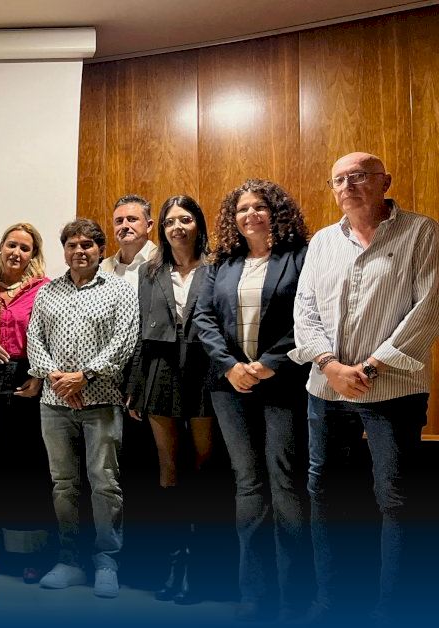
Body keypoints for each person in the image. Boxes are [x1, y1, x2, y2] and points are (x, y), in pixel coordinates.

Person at [290, 152, 439, 623]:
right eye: (339, 179)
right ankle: (333, 602)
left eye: (358, 176)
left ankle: (393, 610)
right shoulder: (322, 242)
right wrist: (330, 364)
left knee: (395, 499)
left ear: (384, 182)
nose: (348, 186)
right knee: (325, 494)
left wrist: (371, 367)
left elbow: (429, 307)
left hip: (393, 390)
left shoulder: (421, 232)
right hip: (326, 390)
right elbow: (304, 309)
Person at [194, 179, 311, 621]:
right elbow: (204, 318)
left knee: (285, 482)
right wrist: (230, 366)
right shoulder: (222, 263)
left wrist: (268, 364)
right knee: (248, 483)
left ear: (275, 212)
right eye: (242, 209)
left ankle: (294, 595)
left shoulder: (300, 257)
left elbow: (308, 317)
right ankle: (255, 594)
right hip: (229, 386)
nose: (250, 215)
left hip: (282, 383)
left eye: (259, 206)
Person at [26, 218, 138, 598]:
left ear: (100, 250)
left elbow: (124, 341)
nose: (79, 251)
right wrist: (58, 379)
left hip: (102, 401)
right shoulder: (48, 292)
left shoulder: (119, 290)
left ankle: (107, 562)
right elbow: (34, 340)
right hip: (54, 403)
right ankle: (69, 561)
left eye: (87, 244)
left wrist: (84, 377)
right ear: (64, 251)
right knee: (63, 484)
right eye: (72, 245)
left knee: (104, 483)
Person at [125, 196, 214, 604]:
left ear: (198, 224)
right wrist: (135, 384)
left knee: (203, 469)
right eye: (170, 221)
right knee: (169, 472)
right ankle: (174, 564)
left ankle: (199, 567)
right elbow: (141, 332)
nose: (177, 226)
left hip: (205, 371)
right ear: (161, 228)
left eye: (185, 219)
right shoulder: (150, 271)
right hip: (159, 373)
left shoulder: (217, 267)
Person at [0, 223, 51, 582]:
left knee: (25, 467)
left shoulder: (44, 288)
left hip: (27, 379)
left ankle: (29, 553)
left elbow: (52, 335)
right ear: (1, 247)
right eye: (12, 245)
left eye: (25, 248)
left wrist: (39, 375)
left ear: (33, 255)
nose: (17, 253)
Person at [101, 195, 158, 290]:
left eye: (132, 219)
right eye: (119, 221)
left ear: (148, 225)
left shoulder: (165, 261)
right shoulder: (102, 268)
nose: (124, 226)